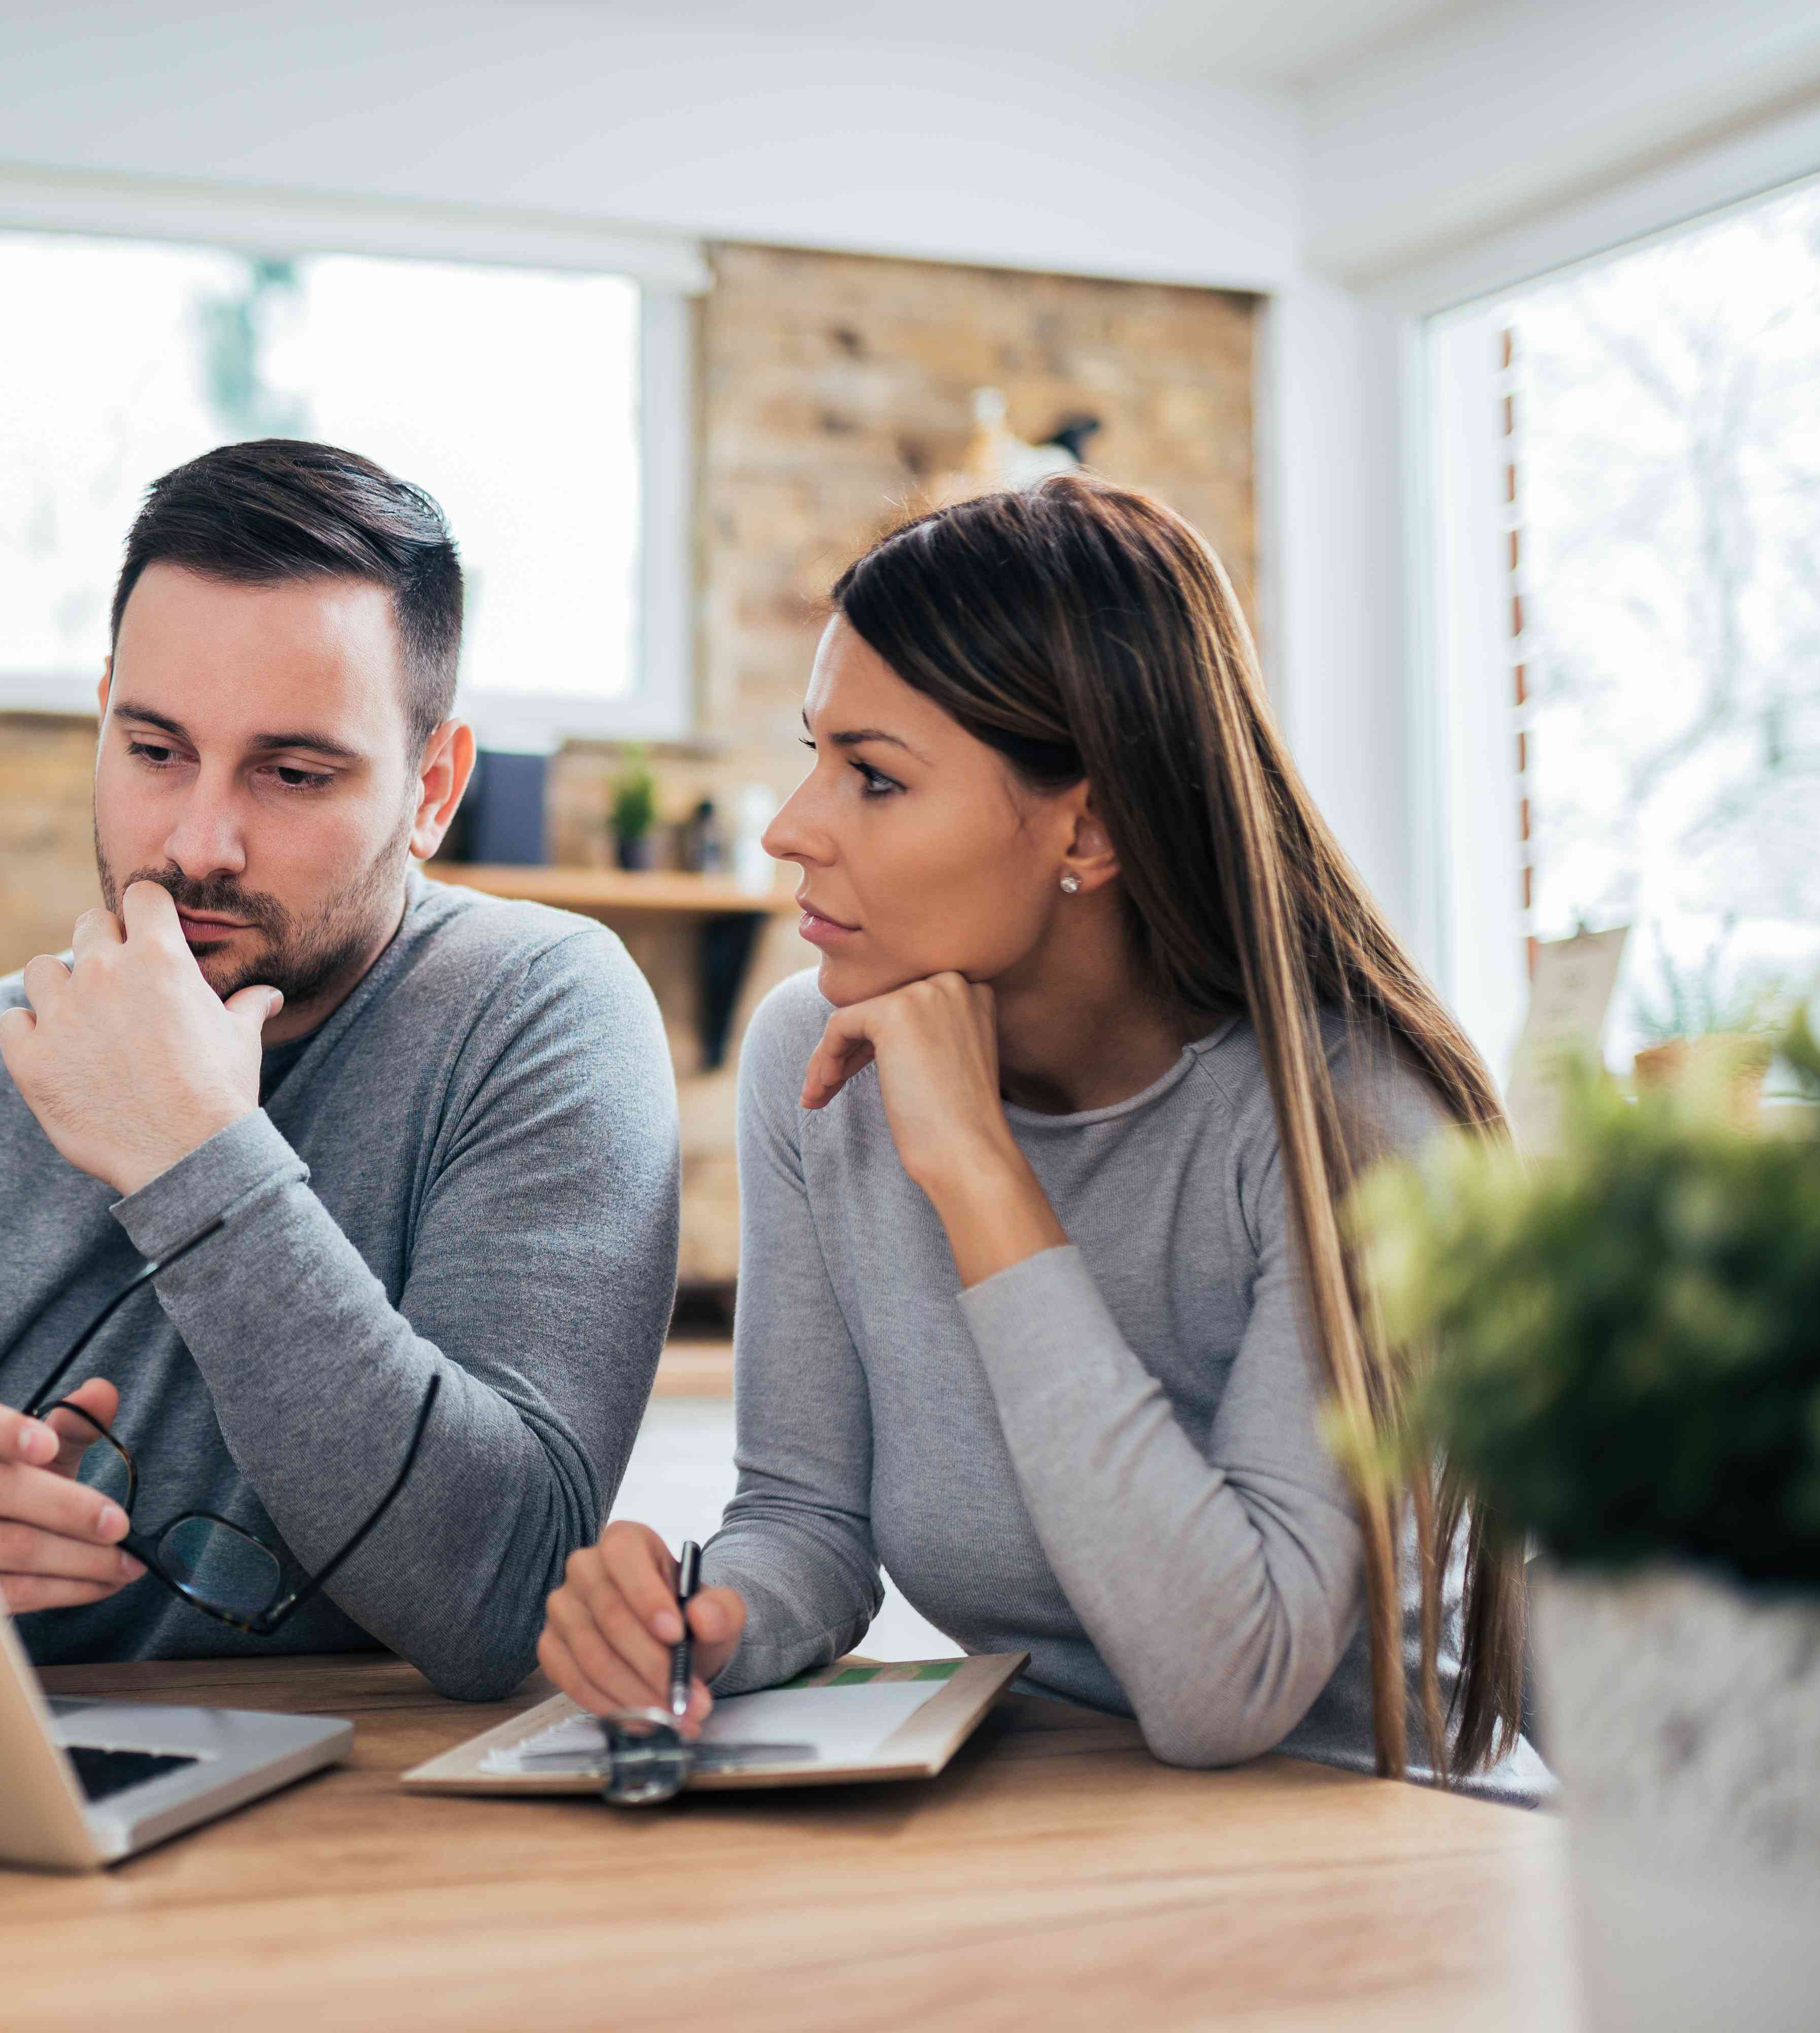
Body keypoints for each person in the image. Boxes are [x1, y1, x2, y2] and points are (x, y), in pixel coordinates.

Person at [536, 473, 1539, 1794]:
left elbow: (1225, 1690)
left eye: (875, 778)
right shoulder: (815, 1061)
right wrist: (710, 1621)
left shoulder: (1351, 1126)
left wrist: (979, 1174)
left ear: (1092, 824)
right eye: (815, 757)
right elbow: (809, 1521)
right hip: (1054, 1813)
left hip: (1372, 1839)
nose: (791, 828)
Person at [0, 439, 678, 1698]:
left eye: (291, 774)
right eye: (154, 750)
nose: (197, 844)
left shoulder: (534, 1014)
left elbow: (497, 1599)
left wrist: (188, 1145)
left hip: (390, 1836)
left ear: (431, 788)